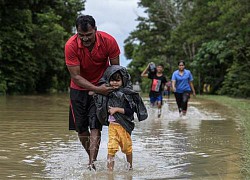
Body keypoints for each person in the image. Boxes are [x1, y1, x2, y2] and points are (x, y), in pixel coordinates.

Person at [64, 15, 120, 170]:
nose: (85, 39)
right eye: (81, 35)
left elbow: (115, 70)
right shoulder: (71, 45)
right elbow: (75, 76)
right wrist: (95, 89)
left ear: (95, 30)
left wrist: (107, 90)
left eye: (88, 35)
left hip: (101, 87)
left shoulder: (109, 41)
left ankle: (92, 163)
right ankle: (91, 157)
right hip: (78, 89)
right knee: (81, 129)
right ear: (77, 33)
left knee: (95, 126)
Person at [93, 65, 148, 171]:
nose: (114, 83)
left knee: (127, 148)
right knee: (111, 148)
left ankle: (130, 168)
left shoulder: (127, 94)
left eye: (117, 80)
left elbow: (130, 111)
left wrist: (116, 109)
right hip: (112, 127)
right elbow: (98, 100)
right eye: (112, 80)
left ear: (123, 80)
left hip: (124, 127)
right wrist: (94, 92)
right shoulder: (107, 93)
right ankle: (110, 172)